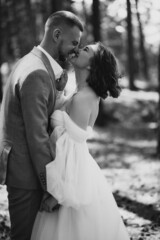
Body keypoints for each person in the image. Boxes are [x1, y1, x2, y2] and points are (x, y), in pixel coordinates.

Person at [31, 42, 130, 240]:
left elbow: (72, 149)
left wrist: (57, 195)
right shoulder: (78, 92)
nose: (78, 49)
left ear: (92, 65)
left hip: (72, 182)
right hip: (68, 171)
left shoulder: (84, 98)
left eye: (86, 50)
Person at [0, 11, 83, 240]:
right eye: (74, 43)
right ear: (57, 35)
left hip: (25, 169)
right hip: (27, 174)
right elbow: (37, 137)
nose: (76, 49)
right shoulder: (36, 72)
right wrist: (52, 187)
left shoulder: (33, 62)